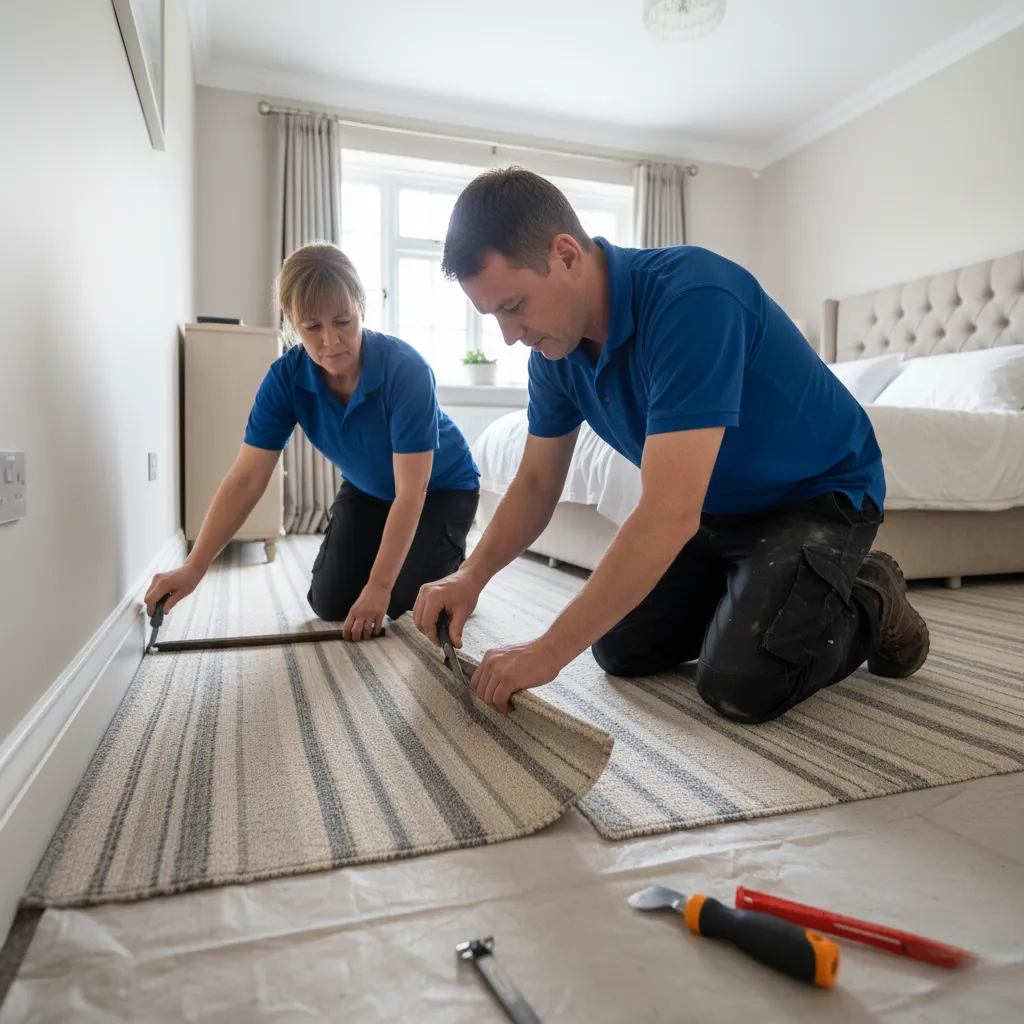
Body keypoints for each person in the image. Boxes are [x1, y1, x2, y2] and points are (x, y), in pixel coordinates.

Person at [413, 168, 929, 719]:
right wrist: (470, 576)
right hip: (721, 509)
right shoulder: (554, 354)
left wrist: (547, 651)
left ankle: (874, 592)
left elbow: (667, 512)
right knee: (620, 647)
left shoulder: (693, 299)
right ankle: (761, 591)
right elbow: (538, 482)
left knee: (740, 683)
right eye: (494, 316)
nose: (510, 336)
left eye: (513, 307)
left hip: (818, 499)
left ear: (566, 255)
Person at [146, 242, 480, 640]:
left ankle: (459, 570)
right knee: (330, 601)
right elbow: (248, 478)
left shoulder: (406, 370)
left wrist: (379, 585)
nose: (331, 340)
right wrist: (195, 565)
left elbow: (412, 490)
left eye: (343, 321)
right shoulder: (285, 380)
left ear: (361, 308)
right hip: (369, 486)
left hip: (440, 487)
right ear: (291, 322)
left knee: (404, 600)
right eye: (312, 327)